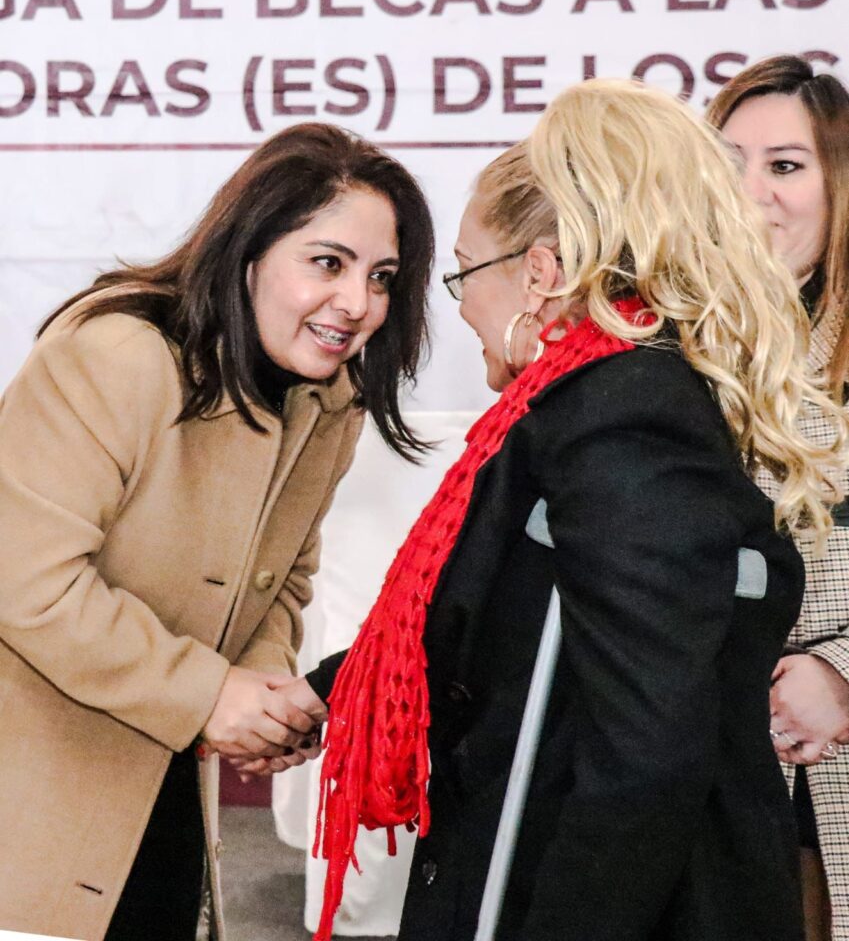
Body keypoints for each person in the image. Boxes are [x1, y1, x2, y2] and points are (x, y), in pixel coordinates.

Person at [271, 79, 846, 941]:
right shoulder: (575, 405)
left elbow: (646, 751)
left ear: (538, 276)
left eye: (464, 271)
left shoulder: (626, 415)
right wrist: (318, 696)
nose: (460, 304)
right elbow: (480, 613)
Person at [0, 122, 434, 941]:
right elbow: (24, 579)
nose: (358, 302)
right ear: (248, 253)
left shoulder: (328, 401)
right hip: (29, 818)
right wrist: (210, 694)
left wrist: (263, 694)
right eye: (327, 262)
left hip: (166, 809)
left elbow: (283, 580)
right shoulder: (116, 354)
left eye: (381, 276)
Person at [707, 54, 849, 941]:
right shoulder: (663, 347)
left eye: (785, 165)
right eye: (728, 165)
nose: (750, 192)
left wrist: (842, 677)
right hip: (706, 774)